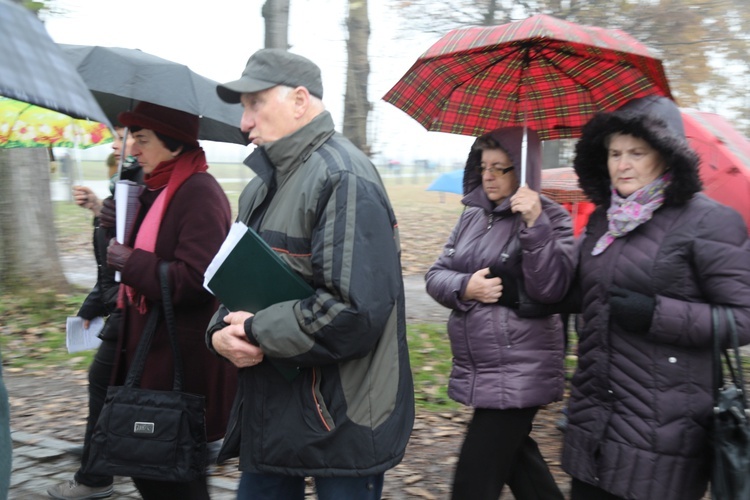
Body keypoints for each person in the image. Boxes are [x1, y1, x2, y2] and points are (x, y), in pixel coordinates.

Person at [207, 48, 414, 500]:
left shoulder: (344, 179)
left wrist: (258, 330)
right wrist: (218, 334)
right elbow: (236, 281)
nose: (244, 123)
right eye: (244, 108)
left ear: (300, 101)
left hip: (341, 421)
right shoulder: (261, 186)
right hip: (273, 415)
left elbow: (352, 314)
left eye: (254, 104)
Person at [561, 99, 750, 500]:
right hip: (593, 418)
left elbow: (743, 318)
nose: (622, 164)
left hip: (663, 430)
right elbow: (578, 294)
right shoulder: (603, 221)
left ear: (665, 156)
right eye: (614, 153)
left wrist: (656, 315)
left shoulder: (709, 220)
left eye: (636, 153)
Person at [424, 128, 575, 500]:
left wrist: (534, 226)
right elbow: (434, 275)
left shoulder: (552, 218)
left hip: (522, 367)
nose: (488, 175)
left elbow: (550, 289)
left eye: (500, 168)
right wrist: (465, 286)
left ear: (523, 172)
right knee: (520, 466)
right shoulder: (473, 217)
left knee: (472, 482)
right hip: (483, 366)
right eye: (483, 166)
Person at [103, 102, 235, 499]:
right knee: (148, 466)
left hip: (179, 362)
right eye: (132, 140)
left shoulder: (199, 192)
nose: (133, 150)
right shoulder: (152, 189)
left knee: (172, 472)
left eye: (142, 140)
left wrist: (132, 262)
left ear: (174, 143)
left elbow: (198, 279)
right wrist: (112, 223)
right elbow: (125, 259)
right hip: (148, 352)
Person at [48, 127, 143, 500]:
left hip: (131, 309)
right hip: (119, 305)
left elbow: (125, 254)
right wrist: (97, 208)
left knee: (106, 384)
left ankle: (96, 474)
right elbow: (112, 250)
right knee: (113, 387)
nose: (115, 143)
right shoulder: (124, 180)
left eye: (124, 135)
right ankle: (101, 460)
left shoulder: (141, 182)